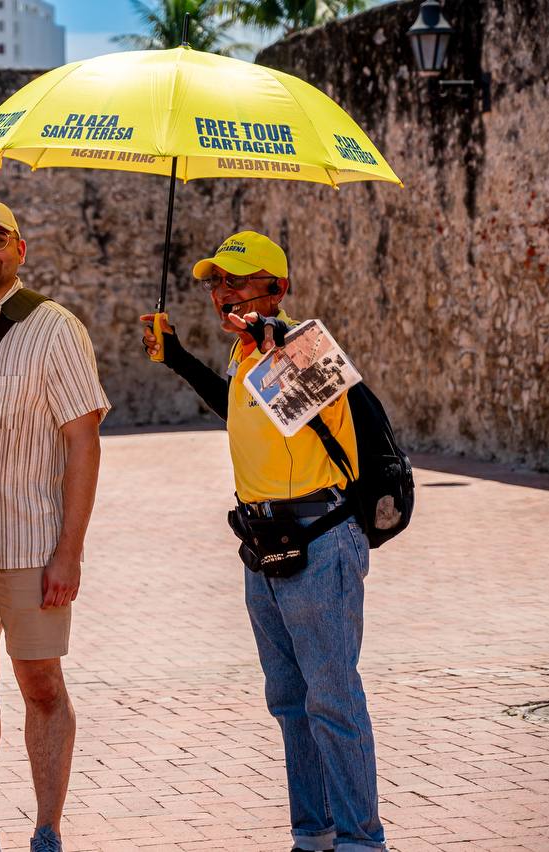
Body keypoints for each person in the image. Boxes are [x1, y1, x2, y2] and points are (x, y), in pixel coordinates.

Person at [141, 231, 386, 852]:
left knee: (331, 698)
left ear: (277, 288)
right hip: (266, 542)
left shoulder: (300, 343)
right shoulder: (244, 357)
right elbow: (243, 412)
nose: (224, 292)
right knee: (290, 701)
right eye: (217, 283)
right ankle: (314, 834)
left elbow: (331, 395)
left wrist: (275, 338)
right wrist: (177, 357)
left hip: (320, 537)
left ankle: (362, 841)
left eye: (239, 281)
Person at [0, 199, 110, 852]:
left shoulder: (55, 327)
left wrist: (71, 551)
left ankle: (47, 829)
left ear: (20, 249)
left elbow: (83, 439)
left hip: (32, 547)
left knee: (41, 687)